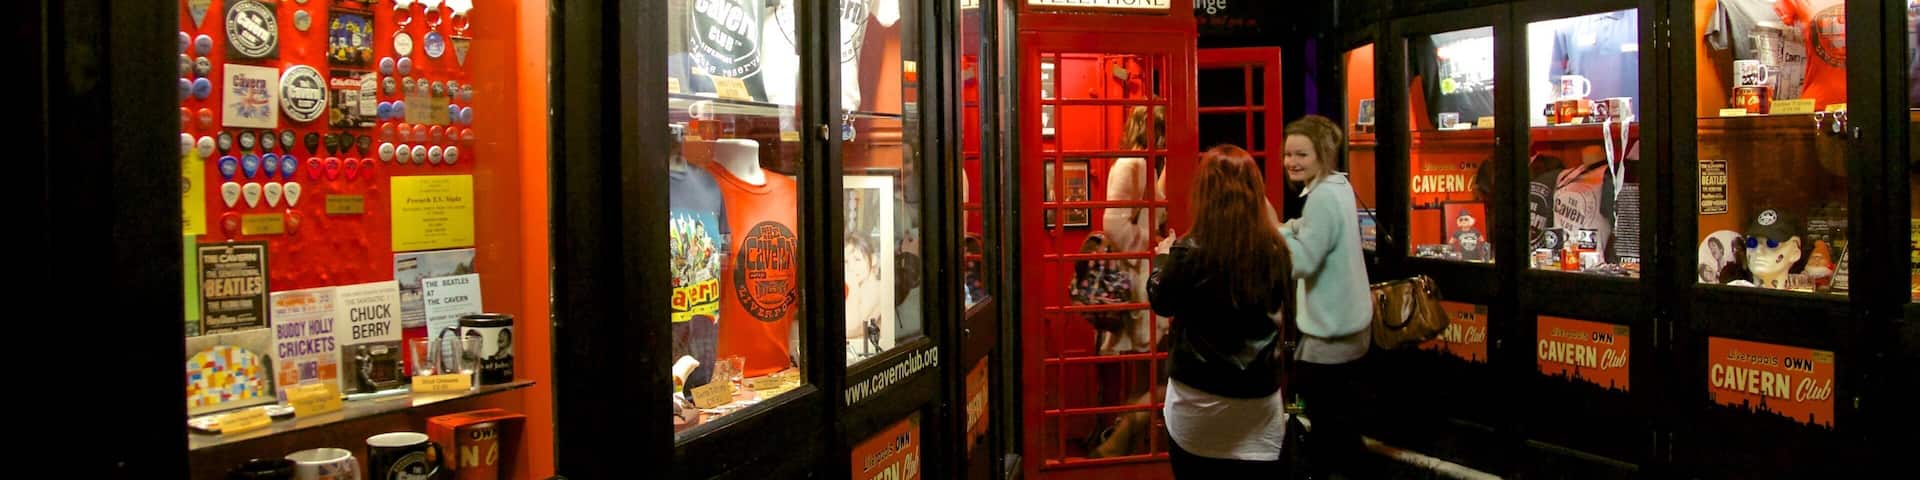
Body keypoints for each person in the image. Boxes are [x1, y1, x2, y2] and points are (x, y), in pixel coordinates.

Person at [1149, 145, 1295, 477]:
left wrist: (1162, 258)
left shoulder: (1187, 250)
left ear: (1204, 194)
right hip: (1258, 400)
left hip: (1195, 403)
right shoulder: (1276, 251)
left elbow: (1161, 301)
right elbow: (1286, 319)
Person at [1278, 115, 1373, 477]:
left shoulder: (1319, 199)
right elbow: (1325, 231)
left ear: (1323, 154)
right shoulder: (1339, 186)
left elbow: (1302, 262)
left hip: (1330, 334)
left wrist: (1279, 235)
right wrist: (1294, 226)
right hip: (1352, 326)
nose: (1292, 162)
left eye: (1302, 154)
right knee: (1344, 426)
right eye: (1288, 154)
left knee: (1330, 430)